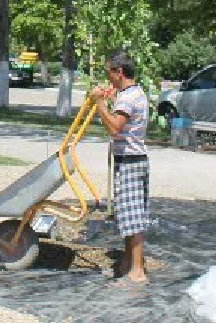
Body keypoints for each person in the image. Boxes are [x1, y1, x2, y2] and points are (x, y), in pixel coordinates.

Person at [90, 51, 150, 286]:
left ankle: (137, 271)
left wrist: (100, 103)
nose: (108, 78)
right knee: (127, 214)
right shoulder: (132, 93)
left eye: (109, 73)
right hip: (131, 159)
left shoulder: (128, 98)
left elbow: (115, 127)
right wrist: (111, 98)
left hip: (131, 161)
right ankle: (127, 263)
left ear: (119, 72)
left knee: (133, 217)